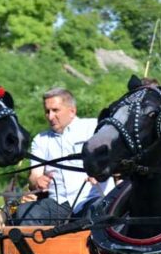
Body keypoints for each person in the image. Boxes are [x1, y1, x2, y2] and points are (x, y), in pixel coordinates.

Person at [15, 88, 112, 224]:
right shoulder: (41, 139)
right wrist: (37, 181)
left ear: (72, 111)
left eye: (55, 110)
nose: (50, 116)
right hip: (58, 203)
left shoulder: (94, 127)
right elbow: (34, 176)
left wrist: (100, 171)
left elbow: (115, 158)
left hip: (91, 198)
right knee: (25, 212)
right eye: (47, 111)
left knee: (98, 211)